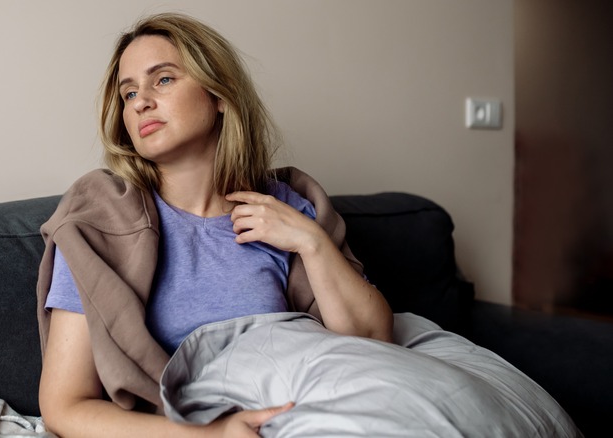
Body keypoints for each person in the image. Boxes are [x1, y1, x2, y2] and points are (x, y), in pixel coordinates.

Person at [36, 12, 393, 437]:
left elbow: (373, 343)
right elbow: (64, 405)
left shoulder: (289, 204)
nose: (141, 102)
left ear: (219, 94)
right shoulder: (99, 218)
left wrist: (310, 242)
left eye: (163, 80)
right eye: (128, 93)